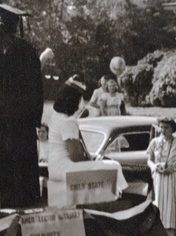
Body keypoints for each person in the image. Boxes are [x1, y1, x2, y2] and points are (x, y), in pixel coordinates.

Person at [0, 3, 43, 208]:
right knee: (4, 158)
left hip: (16, 118)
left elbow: (35, 86)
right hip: (1, 119)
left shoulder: (24, 49)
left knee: (17, 158)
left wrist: (34, 118)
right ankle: (9, 200)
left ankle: (20, 200)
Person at [47, 75, 128, 207]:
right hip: (65, 168)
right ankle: (118, 200)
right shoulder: (69, 121)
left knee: (105, 164)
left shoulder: (55, 116)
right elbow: (75, 156)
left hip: (55, 167)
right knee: (113, 165)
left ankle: (114, 197)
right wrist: (90, 161)